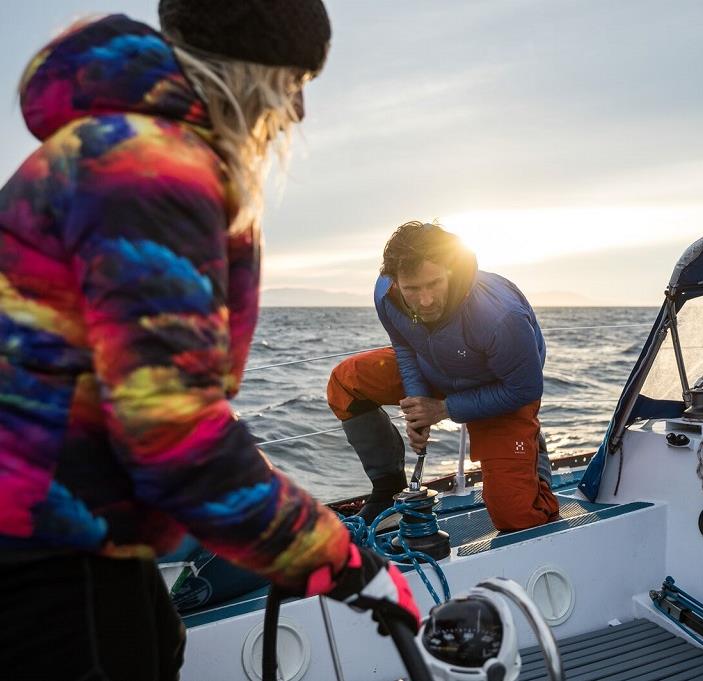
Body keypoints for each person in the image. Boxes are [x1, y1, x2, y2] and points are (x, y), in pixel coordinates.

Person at [0, 3, 419, 679]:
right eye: (293, 82)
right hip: (44, 544)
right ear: (250, 71)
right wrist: (347, 563)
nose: (299, 111)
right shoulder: (151, 167)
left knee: (160, 641)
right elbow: (172, 436)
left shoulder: (108, 146)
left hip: (69, 526)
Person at [328, 221, 560, 530]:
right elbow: (405, 347)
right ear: (395, 281)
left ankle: (534, 459)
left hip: (500, 388)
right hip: (435, 368)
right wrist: (416, 405)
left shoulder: (500, 316)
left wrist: (442, 409)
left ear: (450, 270)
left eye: (434, 283)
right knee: (346, 381)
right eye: (412, 289)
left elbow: (525, 389)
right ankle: (387, 493)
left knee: (517, 517)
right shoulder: (386, 294)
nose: (425, 301)